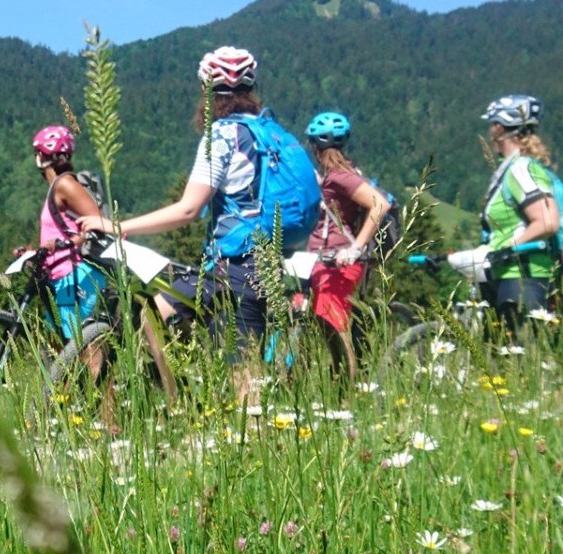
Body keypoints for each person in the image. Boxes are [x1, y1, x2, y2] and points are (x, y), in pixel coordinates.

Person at [81, 46, 302, 405]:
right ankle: (209, 411)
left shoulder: (223, 135)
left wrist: (118, 225)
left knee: (151, 317)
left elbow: (188, 210)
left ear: (207, 91)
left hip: (233, 265)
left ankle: (178, 406)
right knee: (244, 375)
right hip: (265, 264)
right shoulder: (270, 133)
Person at [301, 111, 392, 378]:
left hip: (337, 264)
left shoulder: (340, 176)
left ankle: (346, 395)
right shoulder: (336, 175)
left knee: (336, 333)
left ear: (315, 147)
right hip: (323, 261)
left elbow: (380, 204)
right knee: (326, 328)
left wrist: (355, 248)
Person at [465, 95, 562, 329]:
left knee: (517, 355)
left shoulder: (521, 168)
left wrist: (507, 248)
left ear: (500, 128)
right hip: (506, 273)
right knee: (502, 353)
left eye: (492, 124)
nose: (490, 131)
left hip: (523, 275)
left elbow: (547, 222)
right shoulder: (510, 168)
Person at [31, 126, 106, 344]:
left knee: (84, 352)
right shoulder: (57, 187)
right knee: (63, 352)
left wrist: (65, 244)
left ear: (42, 158)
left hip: (76, 276)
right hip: (60, 278)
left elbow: (99, 224)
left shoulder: (65, 184)